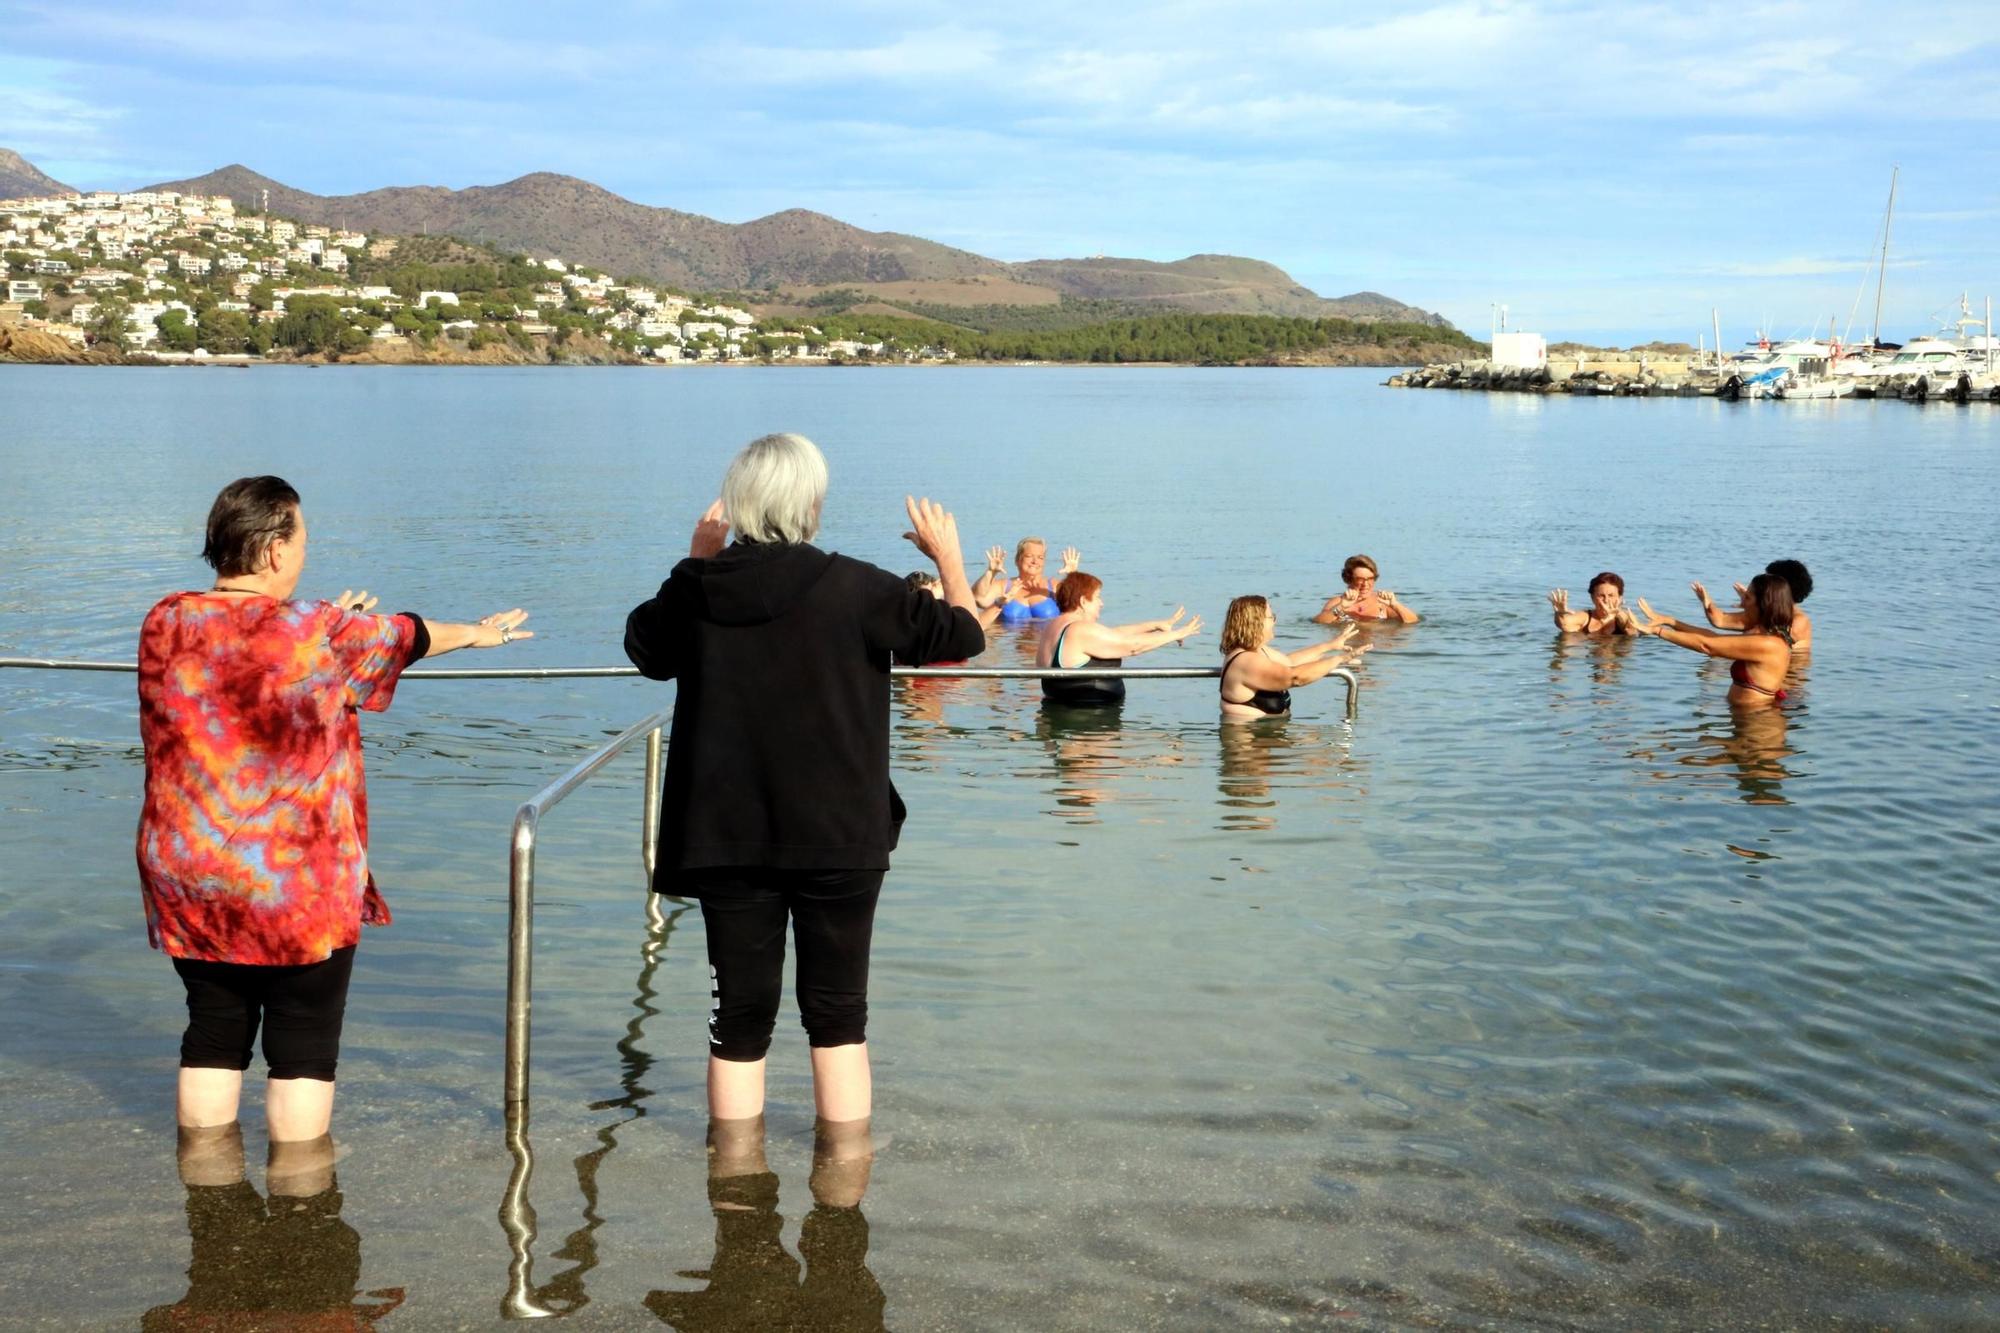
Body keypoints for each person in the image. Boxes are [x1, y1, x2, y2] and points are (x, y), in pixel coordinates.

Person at [137, 475, 531, 1144]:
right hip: (294, 887)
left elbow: (261, 654)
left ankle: (207, 1199)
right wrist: (478, 633)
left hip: (190, 874)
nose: (304, 553)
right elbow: (407, 635)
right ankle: (300, 1214)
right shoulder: (319, 630)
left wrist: (325, 626)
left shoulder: (165, 620)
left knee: (212, 1030)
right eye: (301, 540)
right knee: (302, 1048)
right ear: (272, 550)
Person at [623, 433, 984, 1140]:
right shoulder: (860, 587)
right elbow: (963, 635)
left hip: (726, 838)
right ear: (813, 504)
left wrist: (696, 559)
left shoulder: (696, 589)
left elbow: (646, 650)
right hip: (840, 836)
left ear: (737, 506)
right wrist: (947, 556)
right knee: (838, 1017)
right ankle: (842, 1197)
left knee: (739, 1018)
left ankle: (734, 1198)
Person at [1035, 571, 1201, 706]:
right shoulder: (1079, 630)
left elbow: (1113, 635)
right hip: (1090, 722)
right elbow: (1133, 647)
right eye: (1098, 597)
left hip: (1069, 711)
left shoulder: (1053, 626)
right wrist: (1177, 634)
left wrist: (1155, 625)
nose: (1102, 603)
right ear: (1084, 601)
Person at [1633, 572, 1794, 705]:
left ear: (1764, 605)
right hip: (1746, 717)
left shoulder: (1769, 643)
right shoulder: (1762, 633)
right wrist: (1669, 621)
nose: (1742, 602)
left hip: (1758, 723)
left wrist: (1658, 631)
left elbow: (1707, 646)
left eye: (1748, 598)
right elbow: (1712, 637)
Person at [1218, 595, 1368, 719]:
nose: (1275, 622)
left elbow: (1289, 662)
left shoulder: (1260, 651)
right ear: (1256, 623)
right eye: (1271, 617)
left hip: (1268, 740)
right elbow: (1295, 677)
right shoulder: (1246, 661)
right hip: (1248, 745)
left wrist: (1330, 646)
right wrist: (1339, 660)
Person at [1693, 558, 1813, 650]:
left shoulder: (1798, 621)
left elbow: (1753, 639)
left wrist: (1752, 604)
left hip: (1787, 678)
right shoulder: (1768, 613)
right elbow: (1720, 620)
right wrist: (1707, 602)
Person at [974, 537, 1078, 623]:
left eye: (1040, 557)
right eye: (1029, 556)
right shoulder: (1003, 587)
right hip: (1010, 644)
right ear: (1018, 560)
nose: (1035, 561)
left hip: (1045, 644)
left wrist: (1073, 575)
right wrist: (990, 572)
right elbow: (979, 599)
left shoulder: (1055, 586)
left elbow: (1079, 606)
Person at [1314, 554, 1420, 624]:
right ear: (1348, 579)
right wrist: (1342, 606)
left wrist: (1395, 605)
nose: (1366, 584)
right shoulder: (1338, 602)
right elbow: (1320, 622)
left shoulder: (1381, 603)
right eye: (1360, 579)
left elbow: (1412, 622)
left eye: (1370, 579)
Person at [1549, 572, 1637, 634]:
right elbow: (1565, 624)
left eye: (1611, 595)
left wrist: (1615, 614)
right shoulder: (1585, 617)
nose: (1606, 600)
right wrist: (1559, 615)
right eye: (1601, 595)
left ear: (1620, 598)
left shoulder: (1625, 617)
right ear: (1592, 597)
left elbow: (1632, 631)